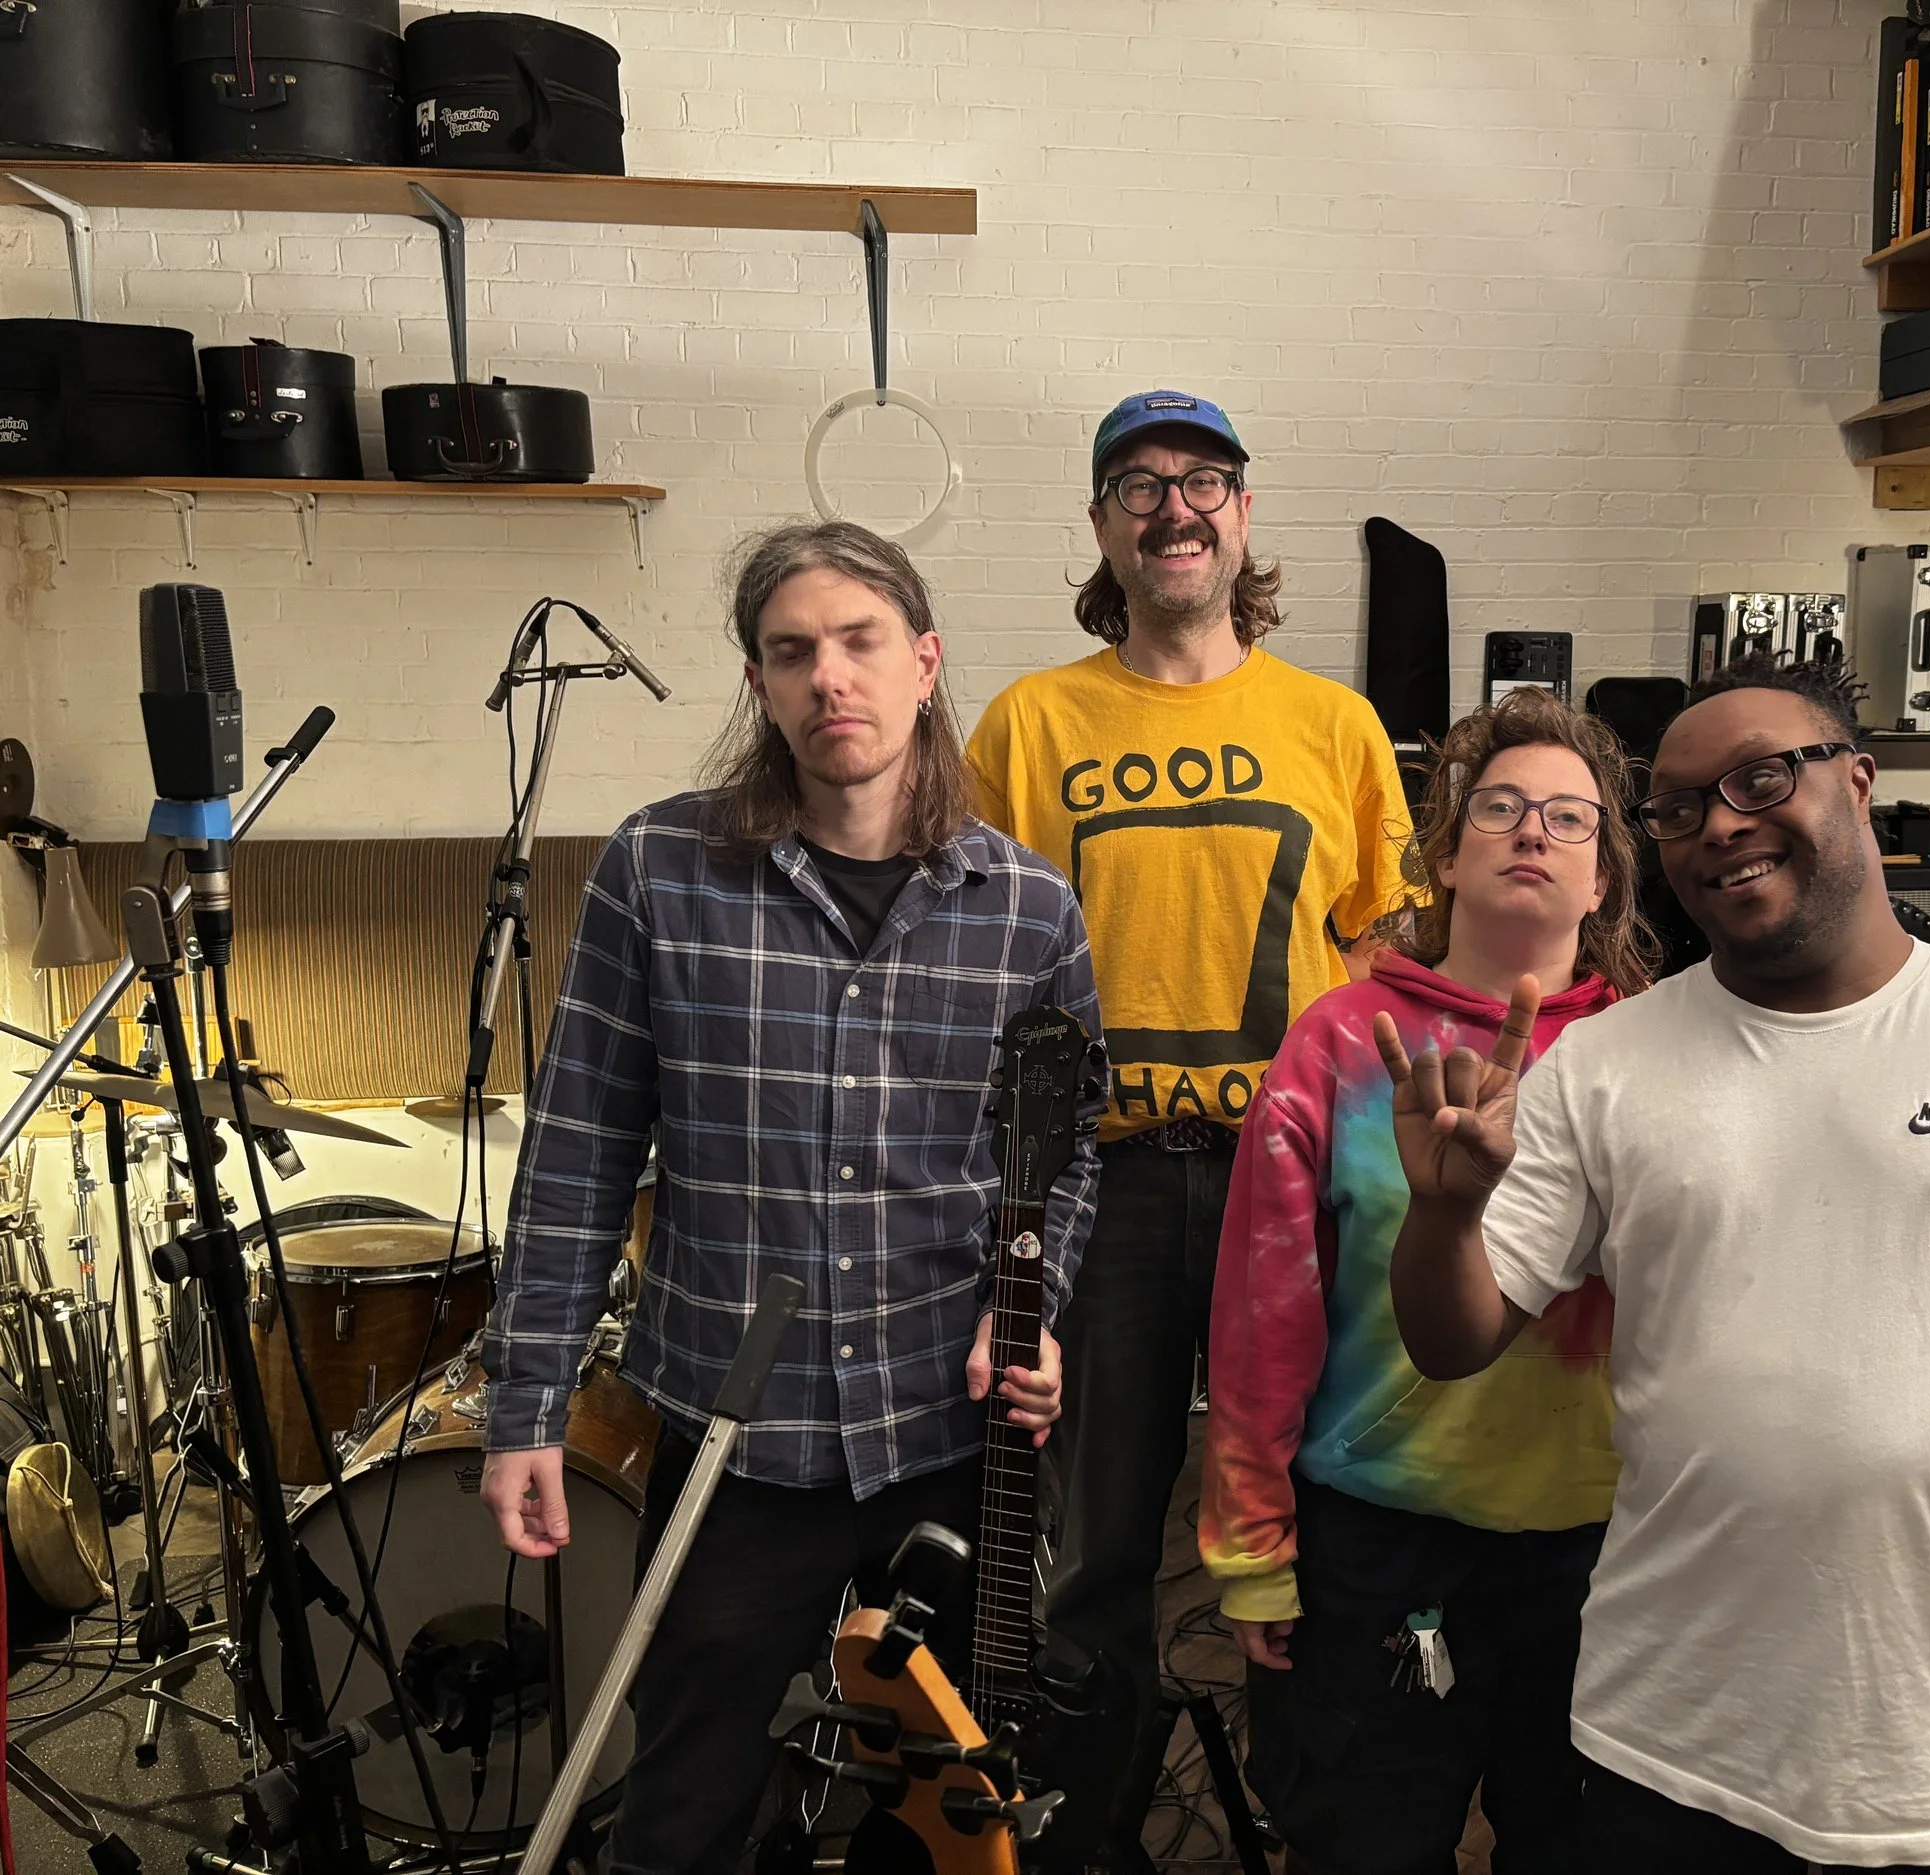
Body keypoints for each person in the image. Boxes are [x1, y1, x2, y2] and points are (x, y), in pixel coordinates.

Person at [1379, 654, 1930, 1875]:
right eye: (1681, 809)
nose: (1720, 827)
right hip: (1672, 1733)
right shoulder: (1604, 1066)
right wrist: (1441, 1219)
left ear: (1858, 782)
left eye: (1760, 780)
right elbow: (1452, 1341)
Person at [479, 520, 1102, 1875]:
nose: (832, 676)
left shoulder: (1030, 909)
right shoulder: (660, 871)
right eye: (793, 650)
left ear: (924, 662)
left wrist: (1033, 1308)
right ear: (759, 681)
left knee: (948, 1804)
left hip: (951, 1427)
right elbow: (580, 1144)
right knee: (687, 1796)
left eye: (861, 641)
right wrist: (525, 1404)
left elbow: (1072, 1155)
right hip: (736, 1440)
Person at [964, 389, 1414, 1862]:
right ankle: (1086, 1828)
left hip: (1295, 1184)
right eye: (1140, 483)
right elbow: (980, 969)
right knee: (1090, 1538)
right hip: (1099, 1185)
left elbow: (1387, 964)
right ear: (1102, 524)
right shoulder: (1029, 722)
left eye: (1204, 479)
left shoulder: (1332, 725)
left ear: (1242, 514)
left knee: (1318, 1502)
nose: (1176, 506)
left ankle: (1323, 1810)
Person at [1200, 688, 1643, 1875]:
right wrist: (1251, 1548)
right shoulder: (1342, 1040)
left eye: (1568, 817)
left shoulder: (1659, 1053)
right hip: (1380, 1550)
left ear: (1605, 877)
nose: (1533, 832)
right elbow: (1261, 1314)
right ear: (1444, 854)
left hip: (1611, 1555)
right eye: (1500, 807)